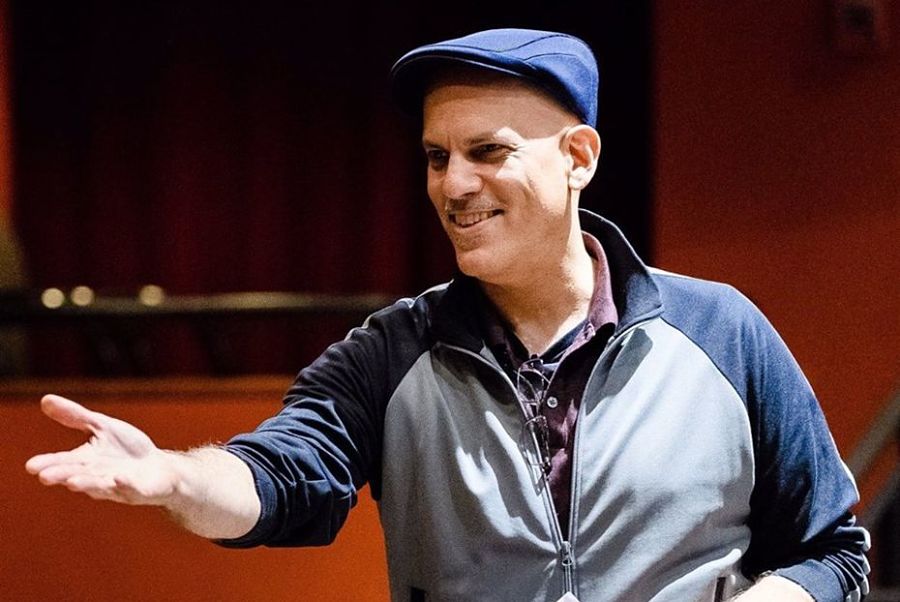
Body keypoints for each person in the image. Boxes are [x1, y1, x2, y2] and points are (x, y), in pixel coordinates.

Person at [26, 29, 869, 602]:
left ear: (578, 157)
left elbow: (831, 551)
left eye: (487, 151)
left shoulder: (722, 332)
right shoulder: (391, 352)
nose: (454, 185)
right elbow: (277, 479)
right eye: (437, 157)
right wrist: (175, 478)